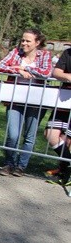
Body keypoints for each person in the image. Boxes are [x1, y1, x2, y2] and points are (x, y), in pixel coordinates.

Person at [0, 28, 52, 176]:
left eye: (28, 41)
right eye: (23, 40)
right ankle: (9, 163)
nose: (24, 43)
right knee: (13, 134)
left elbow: (46, 72)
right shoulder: (15, 53)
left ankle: (21, 166)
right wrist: (18, 71)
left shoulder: (45, 55)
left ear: (37, 42)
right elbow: (1, 65)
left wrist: (26, 67)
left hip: (35, 100)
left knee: (29, 135)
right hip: (15, 99)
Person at [45, 47, 71, 184]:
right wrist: (68, 77)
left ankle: (64, 172)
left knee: (66, 140)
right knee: (51, 135)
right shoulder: (68, 52)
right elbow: (56, 72)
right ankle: (68, 169)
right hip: (63, 101)